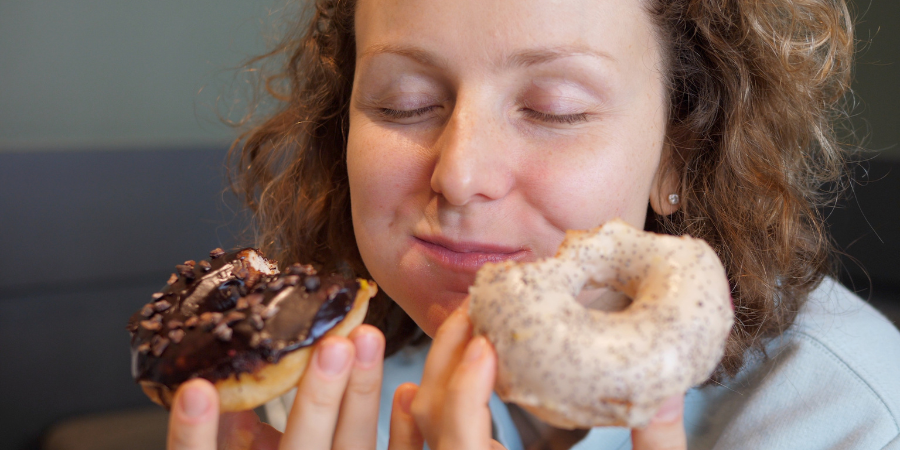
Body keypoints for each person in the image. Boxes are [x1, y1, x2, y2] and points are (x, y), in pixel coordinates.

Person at [165, 0, 900, 448]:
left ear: (681, 154)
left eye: (553, 109)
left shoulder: (846, 414)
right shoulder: (328, 384)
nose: (458, 173)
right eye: (404, 103)